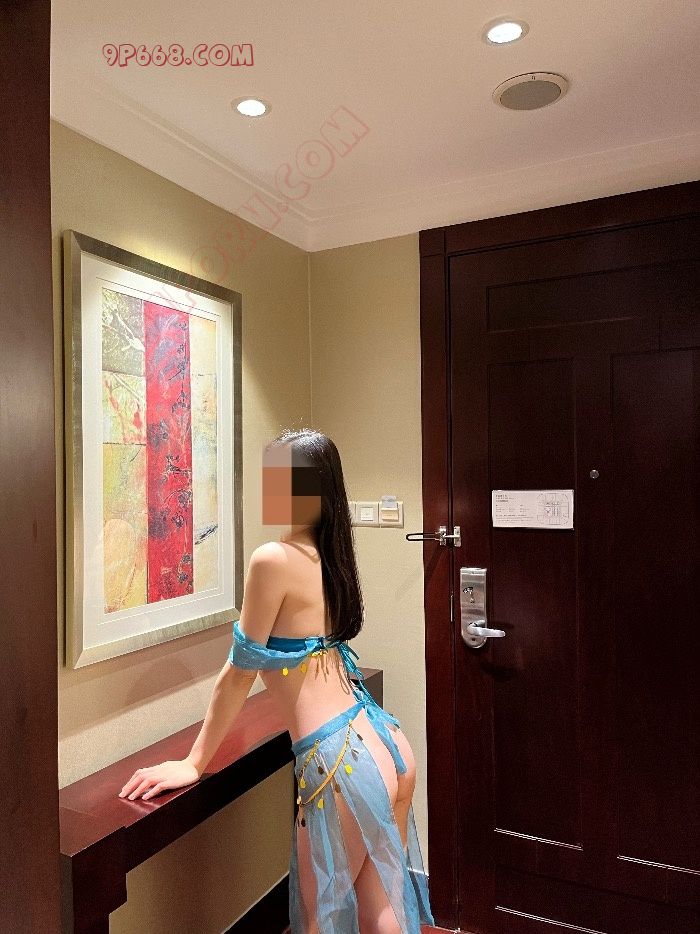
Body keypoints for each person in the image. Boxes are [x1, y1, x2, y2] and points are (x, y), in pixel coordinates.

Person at [118, 429, 436, 933]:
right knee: (380, 911)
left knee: (317, 920)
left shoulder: (273, 559)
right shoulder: (329, 554)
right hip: (384, 742)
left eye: (283, 478)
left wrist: (194, 762)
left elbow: (238, 673)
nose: (270, 487)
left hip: (340, 761)